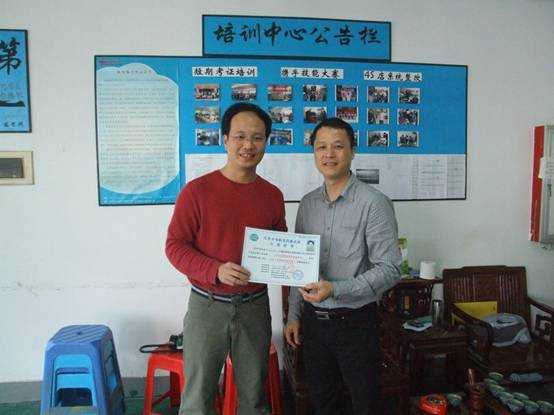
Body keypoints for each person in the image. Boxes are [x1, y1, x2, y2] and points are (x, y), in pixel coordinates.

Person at [166, 102, 287, 415]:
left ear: (266, 142)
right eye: (240, 136)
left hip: (255, 307)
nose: (248, 145)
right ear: (225, 140)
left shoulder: (272, 195)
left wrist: (292, 263)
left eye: (257, 138)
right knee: (197, 399)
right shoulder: (196, 191)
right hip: (207, 306)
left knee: (253, 397)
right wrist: (215, 269)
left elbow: (280, 247)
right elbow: (175, 246)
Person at [284, 117, 401, 415]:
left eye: (338, 146)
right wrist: (294, 316)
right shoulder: (308, 204)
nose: (329, 154)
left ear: (353, 151)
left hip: (355, 323)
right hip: (313, 323)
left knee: (364, 403)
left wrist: (336, 289)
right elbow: (300, 265)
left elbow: (390, 268)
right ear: (313, 152)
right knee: (323, 402)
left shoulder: (374, 203)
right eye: (321, 147)